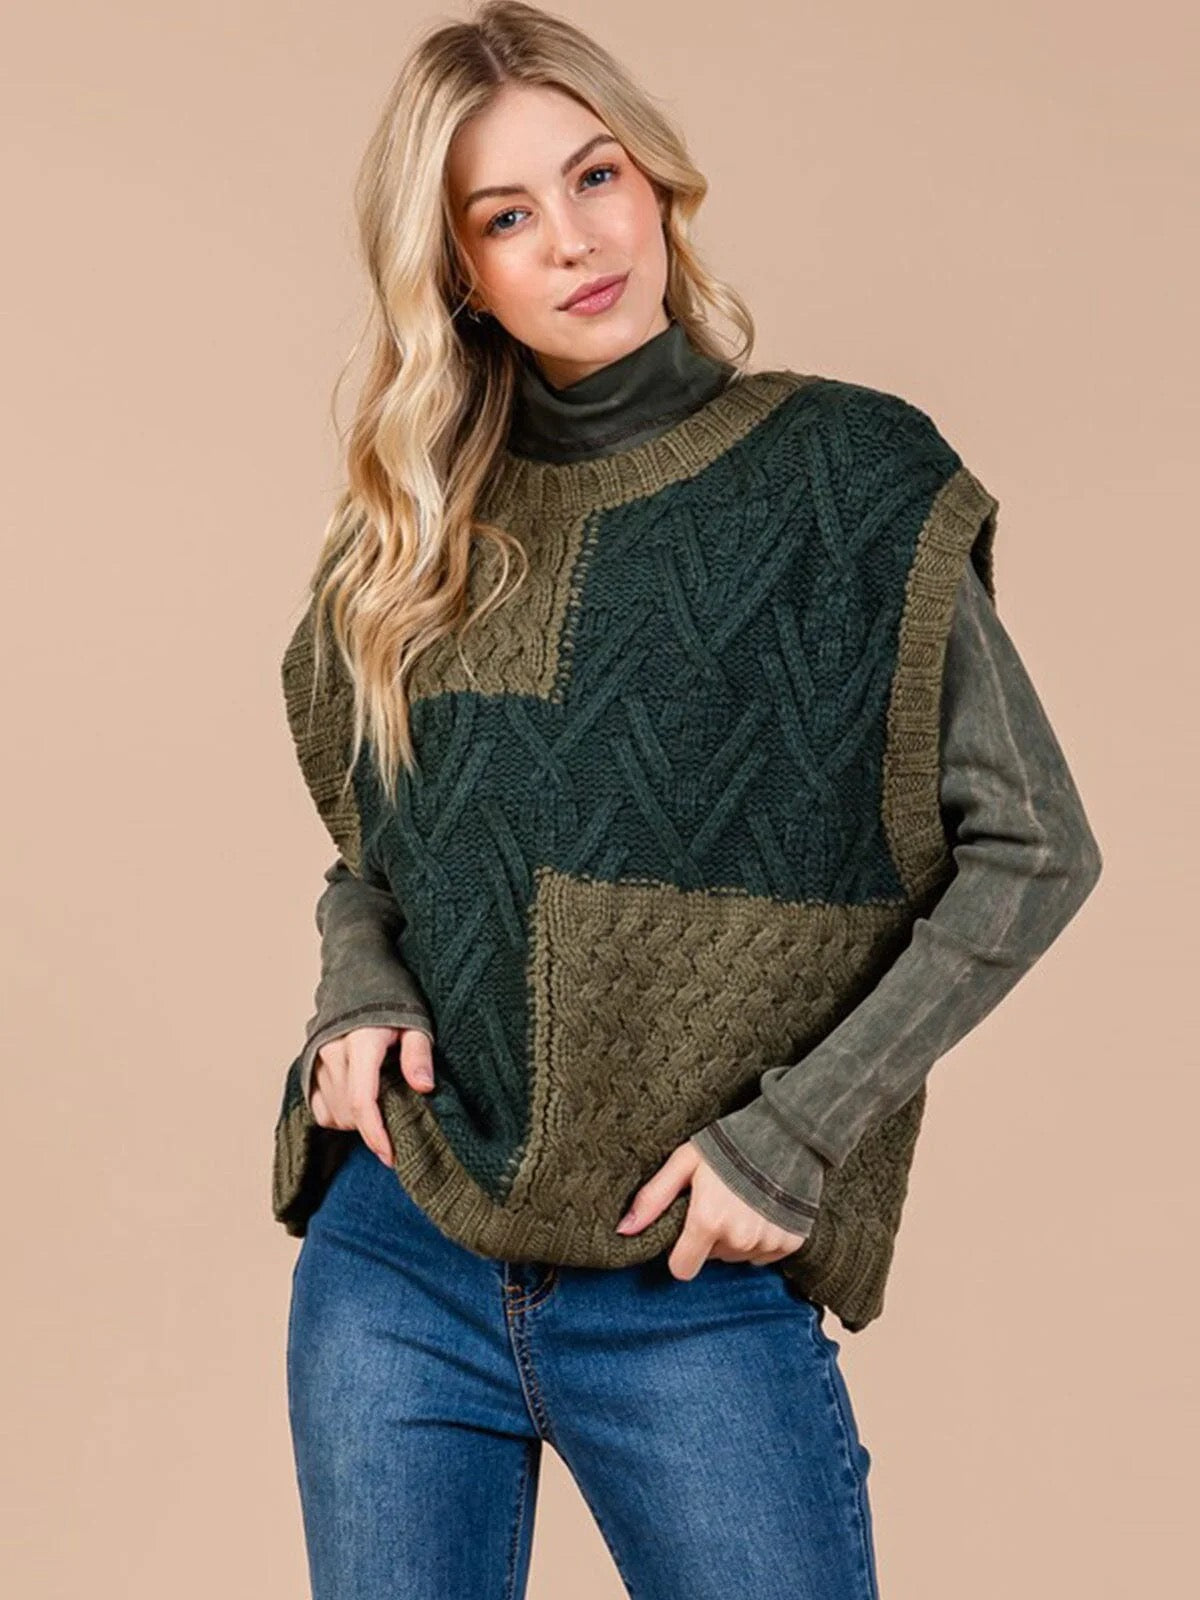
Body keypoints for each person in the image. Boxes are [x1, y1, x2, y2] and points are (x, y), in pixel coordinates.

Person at [273, 5, 1103, 1596]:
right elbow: (379, 859)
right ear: (458, 273)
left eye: (595, 176)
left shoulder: (846, 479)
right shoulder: (418, 535)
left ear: (654, 179)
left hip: (684, 1285)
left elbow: (1034, 846)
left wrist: (795, 1136)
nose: (575, 240)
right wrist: (354, 987)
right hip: (398, 1262)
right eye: (505, 216)